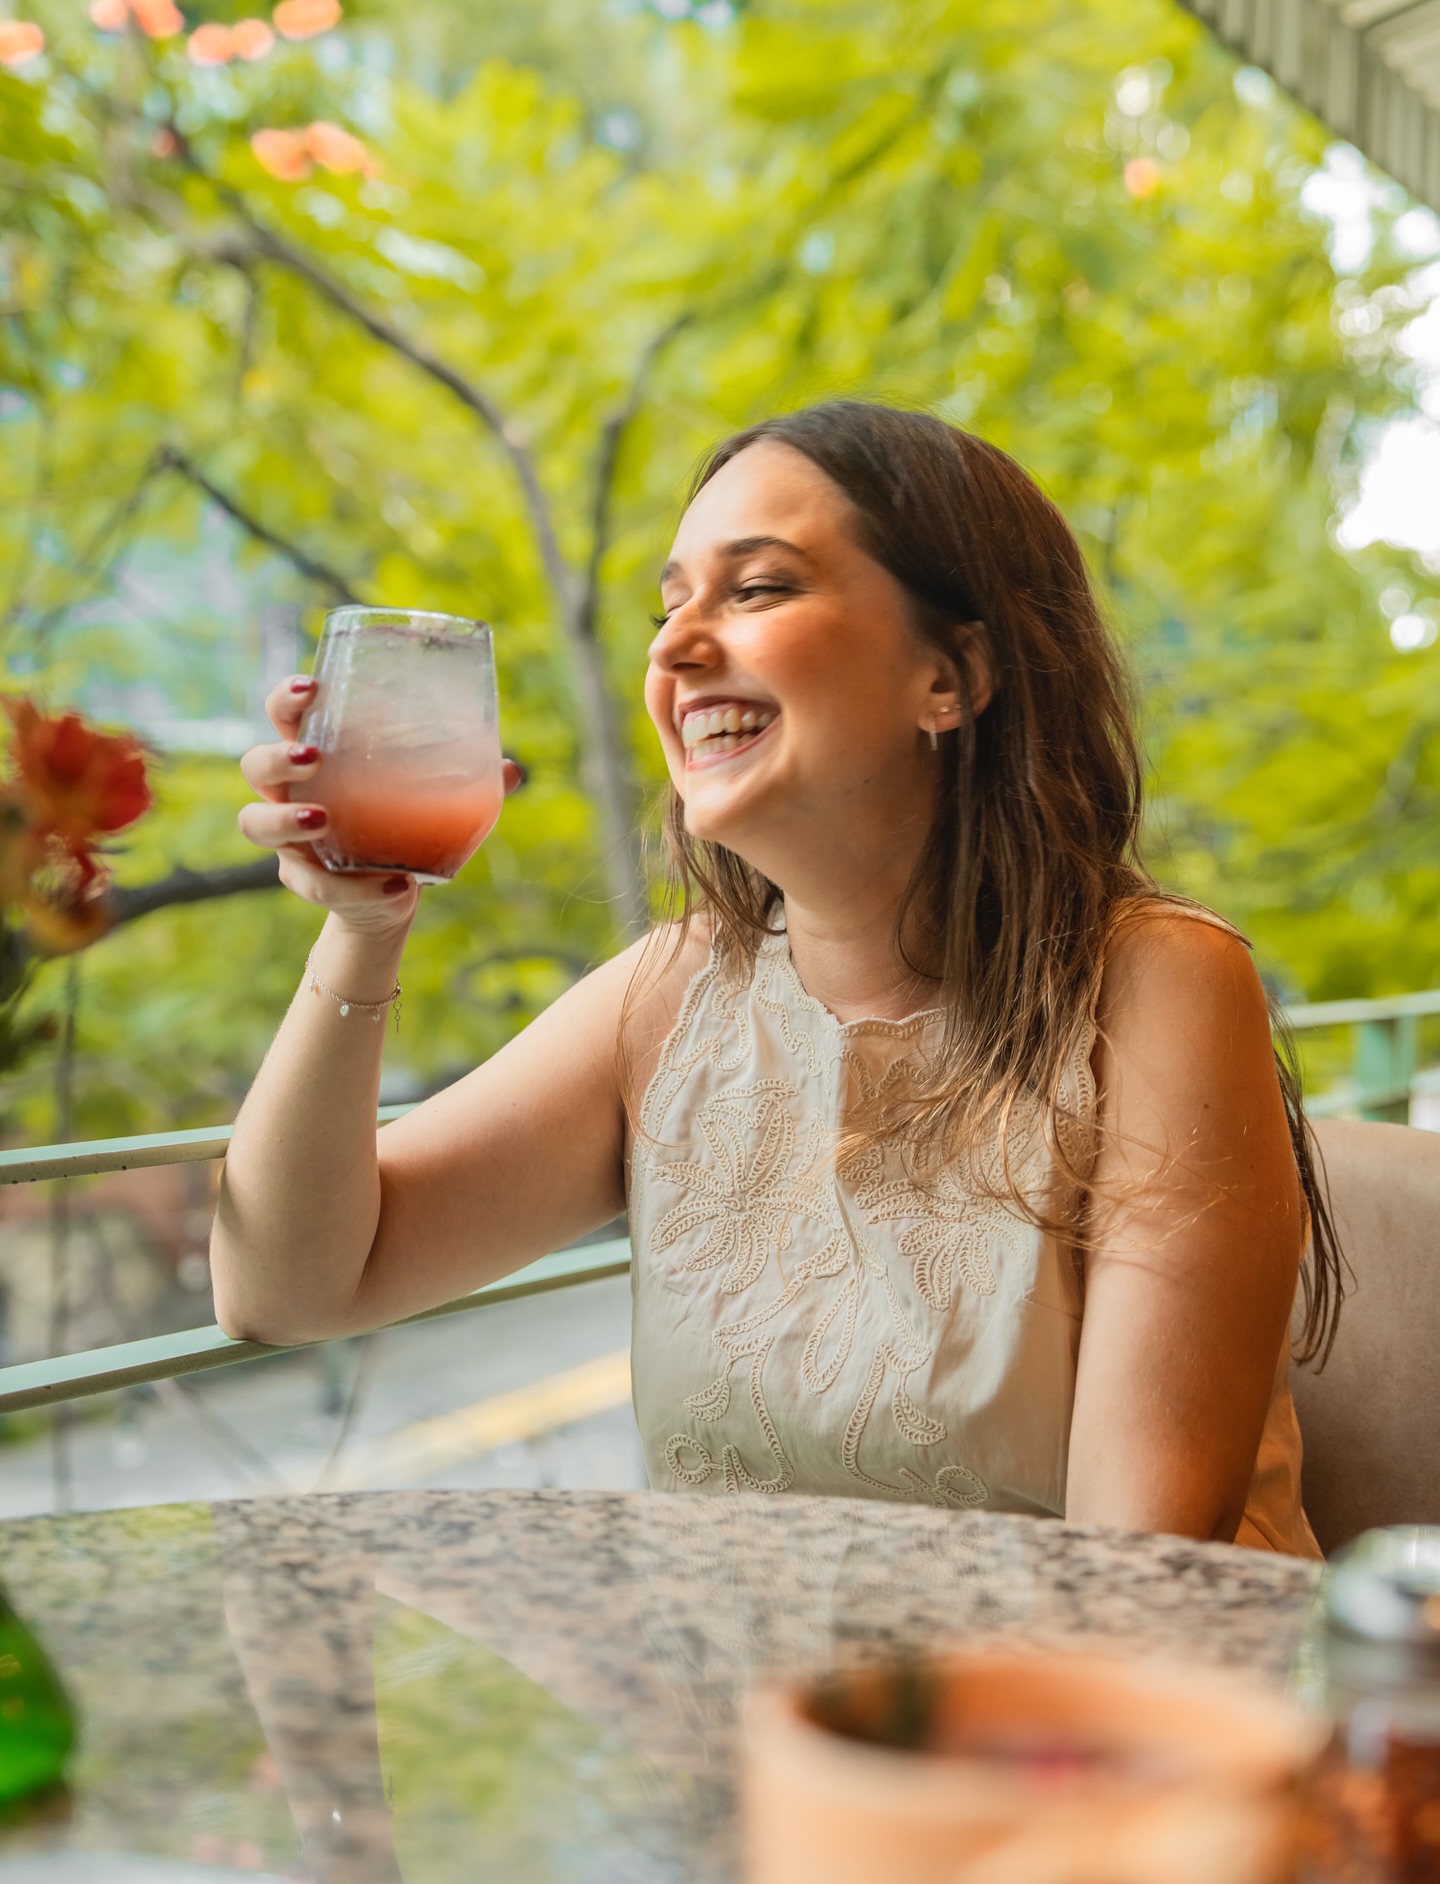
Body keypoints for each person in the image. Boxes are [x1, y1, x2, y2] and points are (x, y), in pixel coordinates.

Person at [216, 401, 1339, 1557]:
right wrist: (360, 929)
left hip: (1100, 1720)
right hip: (748, 1721)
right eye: (669, 605)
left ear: (952, 676)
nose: (674, 647)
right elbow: (288, 1286)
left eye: (755, 590)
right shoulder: (670, 998)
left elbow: (1133, 1573)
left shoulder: (1159, 982)